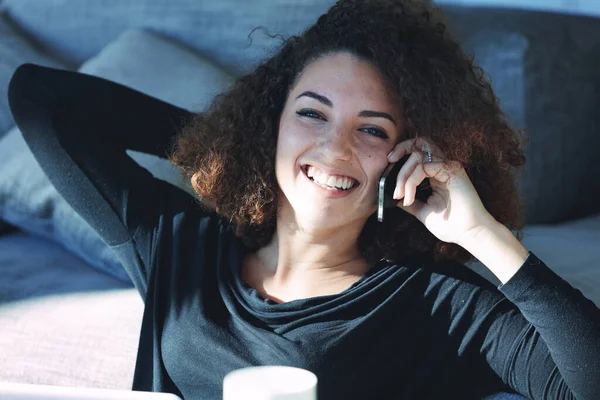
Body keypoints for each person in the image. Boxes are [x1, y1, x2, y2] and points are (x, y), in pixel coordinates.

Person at [8, 0, 600, 399]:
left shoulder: (434, 303)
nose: (334, 147)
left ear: (407, 156)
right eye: (311, 114)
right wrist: (229, 145)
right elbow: (41, 97)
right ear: (272, 122)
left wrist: (481, 235)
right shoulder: (177, 246)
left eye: (372, 130)